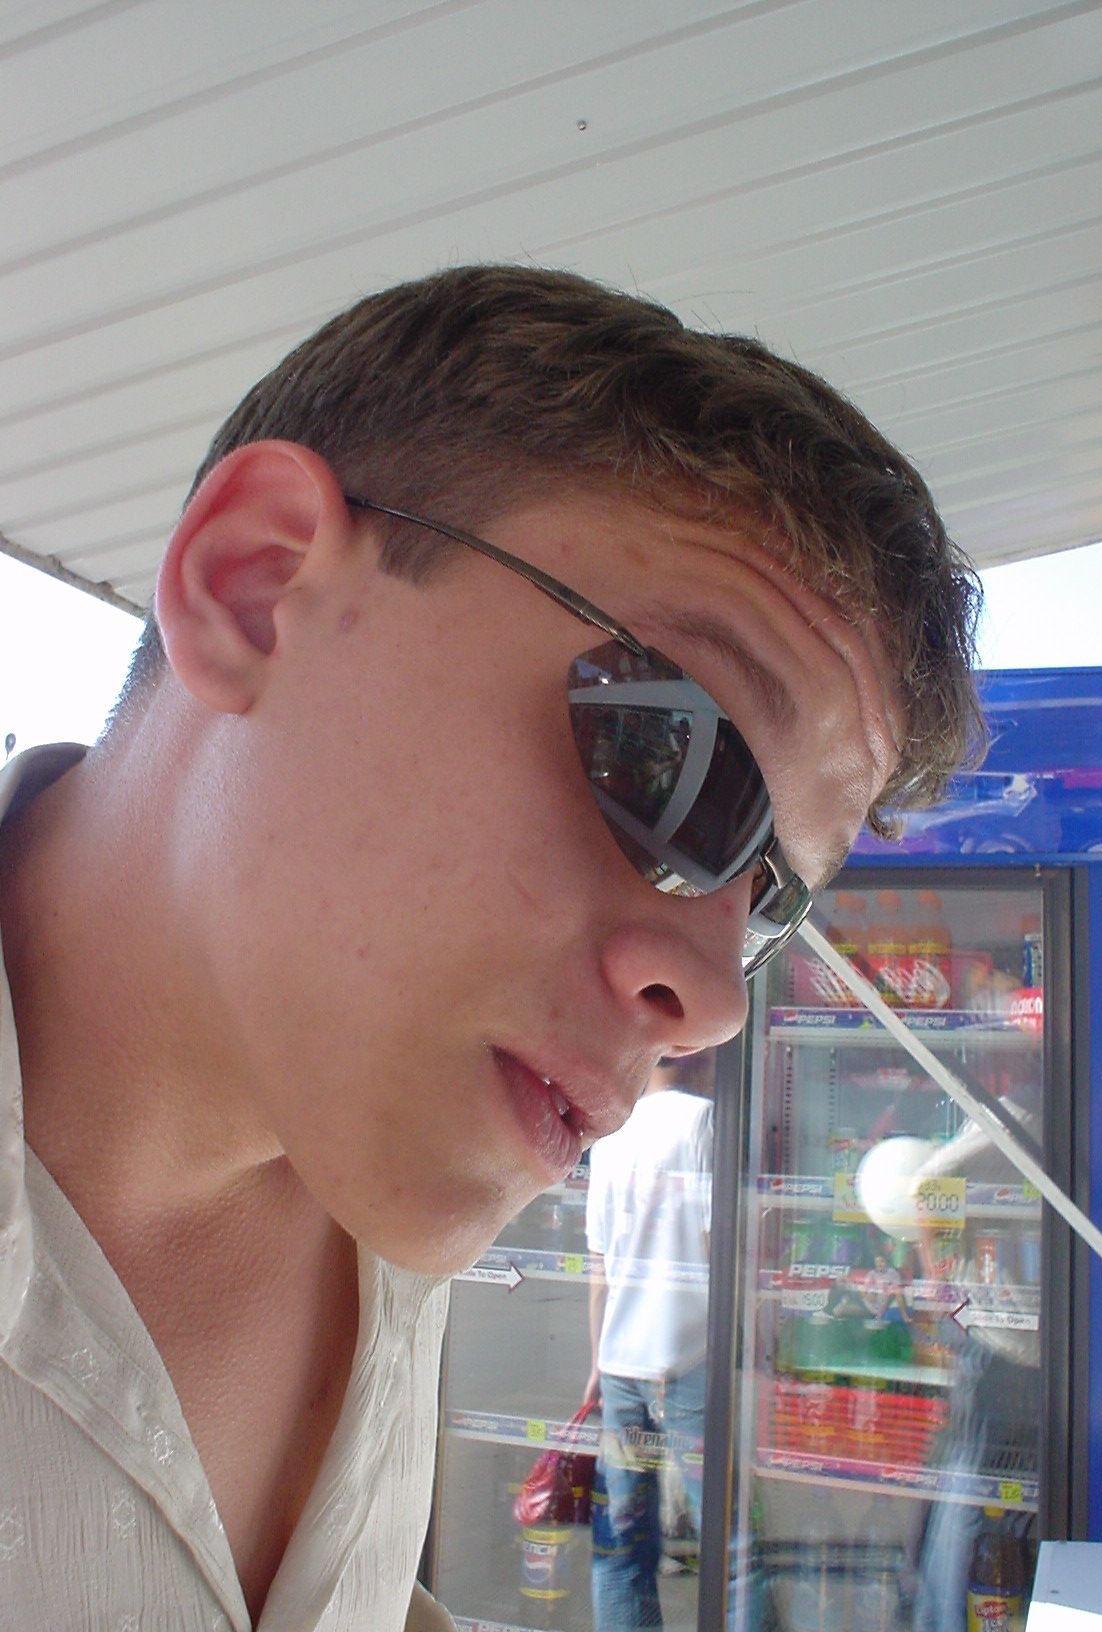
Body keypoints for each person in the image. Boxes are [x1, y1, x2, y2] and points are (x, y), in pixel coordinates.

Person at [0, 263, 983, 1629]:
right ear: (254, 586)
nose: (712, 1000)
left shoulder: (398, 1164)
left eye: (772, 905)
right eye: (676, 762)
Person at [583, 1051, 715, 1628]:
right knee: (730, 1540)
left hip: (621, 1369)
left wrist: (597, 1364)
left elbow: (599, 1272)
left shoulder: (611, 1134)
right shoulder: (702, 1122)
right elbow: (715, 1244)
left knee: (621, 1546)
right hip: (689, 1360)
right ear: (700, 1054)